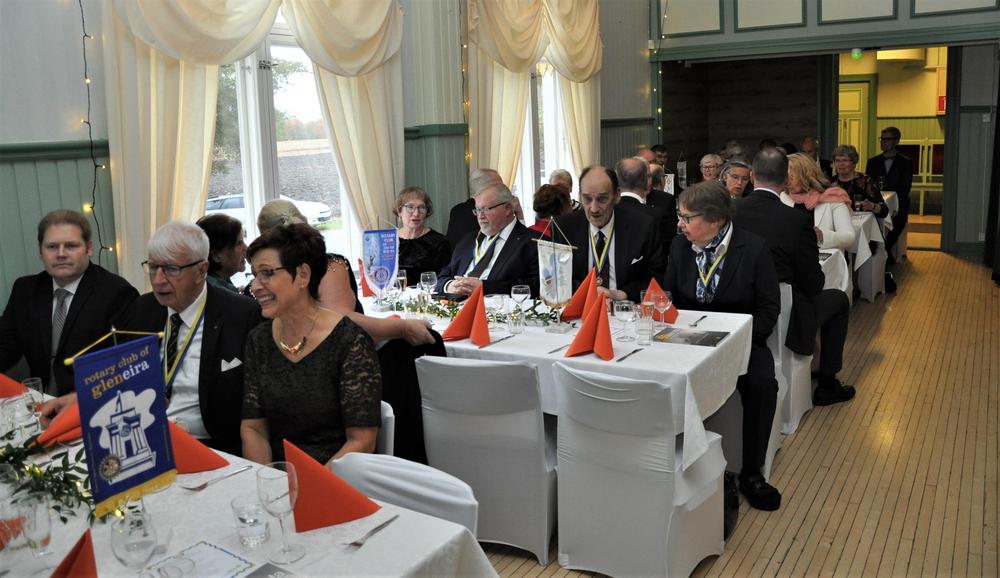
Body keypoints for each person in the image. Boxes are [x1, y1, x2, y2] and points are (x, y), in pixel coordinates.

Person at [41, 220, 263, 456]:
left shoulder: (242, 315)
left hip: (212, 448)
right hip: (146, 438)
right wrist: (78, 400)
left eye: (171, 269)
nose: (158, 280)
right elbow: (120, 376)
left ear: (201, 270)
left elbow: (256, 411)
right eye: (153, 267)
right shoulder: (142, 308)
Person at [664, 181, 781, 511]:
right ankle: (672, 465)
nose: (680, 224)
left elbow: (769, 309)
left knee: (762, 385)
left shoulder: (753, 249)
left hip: (741, 344)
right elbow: (669, 298)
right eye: (679, 216)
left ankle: (752, 473)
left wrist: (736, 344)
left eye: (687, 218)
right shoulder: (679, 246)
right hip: (688, 342)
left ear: (715, 219)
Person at [241, 223, 381, 465]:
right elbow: (254, 428)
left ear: (303, 275)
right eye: (254, 275)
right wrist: (266, 478)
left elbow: (362, 440)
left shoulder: (349, 341)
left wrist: (310, 483)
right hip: (278, 475)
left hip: (336, 476)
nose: (255, 286)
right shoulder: (259, 339)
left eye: (267, 273)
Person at [734, 148, 855, 408]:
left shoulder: (731, 212)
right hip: (785, 310)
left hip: (738, 306)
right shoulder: (797, 220)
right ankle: (828, 383)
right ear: (785, 181)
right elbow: (813, 283)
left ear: (752, 176)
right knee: (838, 300)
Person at [1, 210, 138, 395]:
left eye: (71, 246)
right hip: (39, 400)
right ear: (40, 251)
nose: (61, 254)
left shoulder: (116, 293)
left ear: (89, 248)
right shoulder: (25, 290)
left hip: (90, 399)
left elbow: (128, 363)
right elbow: (5, 346)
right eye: (52, 247)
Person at [552, 165, 662, 303]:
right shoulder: (563, 227)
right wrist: (588, 293)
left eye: (602, 199)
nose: (594, 209)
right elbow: (556, 277)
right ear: (579, 195)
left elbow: (657, 277)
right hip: (580, 306)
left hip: (625, 307)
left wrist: (622, 294)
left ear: (617, 195)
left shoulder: (643, 226)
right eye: (587, 199)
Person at [436, 181, 541, 298]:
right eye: (477, 210)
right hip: (457, 304)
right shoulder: (468, 240)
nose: (480, 216)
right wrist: (449, 286)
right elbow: (443, 275)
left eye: (486, 209)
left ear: (507, 208)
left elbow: (535, 286)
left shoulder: (534, 242)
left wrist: (485, 288)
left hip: (499, 306)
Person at [781, 153, 856, 251]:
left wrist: (822, 237)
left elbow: (849, 236)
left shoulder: (832, 197)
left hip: (824, 258)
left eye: (791, 177)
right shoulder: (782, 197)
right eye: (784, 178)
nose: (787, 183)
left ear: (805, 175)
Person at [865, 127, 913, 261]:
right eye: (882, 139)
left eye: (887, 139)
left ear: (896, 141)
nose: (883, 142)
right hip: (877, 200)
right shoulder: (873, 161)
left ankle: (886, 248)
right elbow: (868, 184)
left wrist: (891, 198)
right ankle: (875, 250)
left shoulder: (906, 162)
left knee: (899, 219)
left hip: (899, 200)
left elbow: (905, 187)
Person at [616, 157, 674, 266]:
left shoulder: (608, 212)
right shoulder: (656, 216)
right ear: (645, 181)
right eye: (648, 176)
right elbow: (663, 255)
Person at [394, 186, 451, 287]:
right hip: (393, 294)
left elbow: (443, 279)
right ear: (399, 211)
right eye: (410, 207)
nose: (416, 213)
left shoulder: (439, 242)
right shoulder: (389, 240)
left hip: (427, 294)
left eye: (422, 208)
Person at [445, 168, 502, 249]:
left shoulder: (457, 210)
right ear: (486, 188)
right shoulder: (492, 210)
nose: (503, 190)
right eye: (499, 186)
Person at [832, 144, 889, 220]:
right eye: (837, 160)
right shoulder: (829, 182)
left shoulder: (866, 181)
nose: (840, 164)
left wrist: (872, 206)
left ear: (854, 163)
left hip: (860, 224)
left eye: (845, 160)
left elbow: (884, 211)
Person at [196, 213, 246, 293]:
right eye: (239, 243)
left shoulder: (206, 283)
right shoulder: (217, 293)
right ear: (216, 255)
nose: (246, 248)